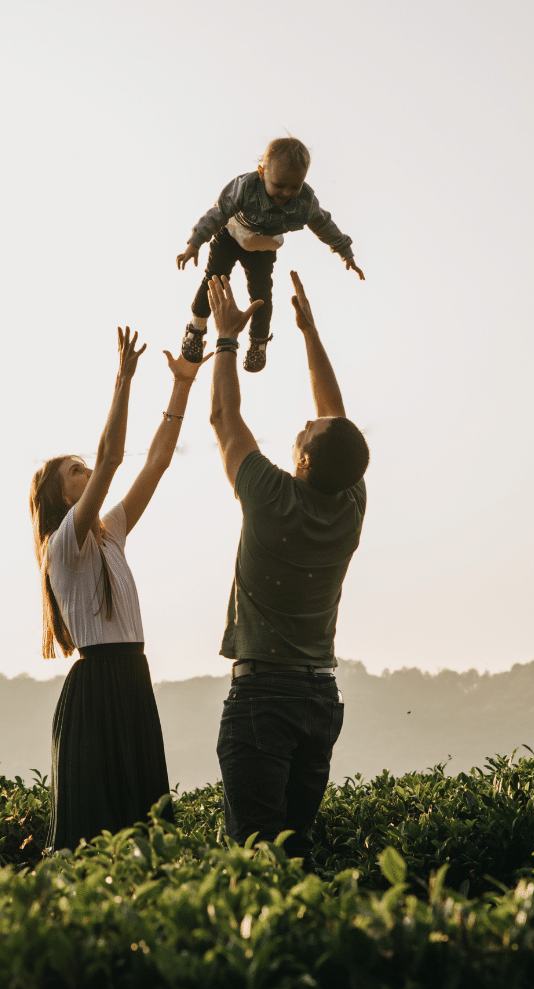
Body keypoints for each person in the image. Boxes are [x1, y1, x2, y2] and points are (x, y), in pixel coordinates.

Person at [207, 270, 369, 871]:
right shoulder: (349, 502)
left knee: (255, 861)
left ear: (302, 459)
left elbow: (226, 420)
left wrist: (226, 339)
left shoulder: (271, 496)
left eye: (304, 431)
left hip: (264, 698)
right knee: (297, 859)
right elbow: (338, 420)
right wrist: (309, 333)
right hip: (319, 696)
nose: (303, 422)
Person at [29, 328, 211, 852]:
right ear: (58, 494)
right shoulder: (64, 543)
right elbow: (112, 459)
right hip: (98, 689)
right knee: (96, 835)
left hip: (132, 678)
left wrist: (182, 386)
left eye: (84, 467)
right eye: (76, 470)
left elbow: (155, 462)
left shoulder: (110, 532)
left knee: (145, 829)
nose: (88, 472)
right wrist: (123, 380)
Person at [176, 136, 364, 373]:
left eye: (294, 186)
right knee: (214, 279)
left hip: (262, 247)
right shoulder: (245, 187)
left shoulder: (305, 202)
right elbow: (218, 213)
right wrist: (195, 242)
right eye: (279, 185)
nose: (286, 193)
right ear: (262, 172)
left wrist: (345, 251)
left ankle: (258, 342)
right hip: (231, 234)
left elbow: (323, 224)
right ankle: (196, 327)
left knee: (261, 294)